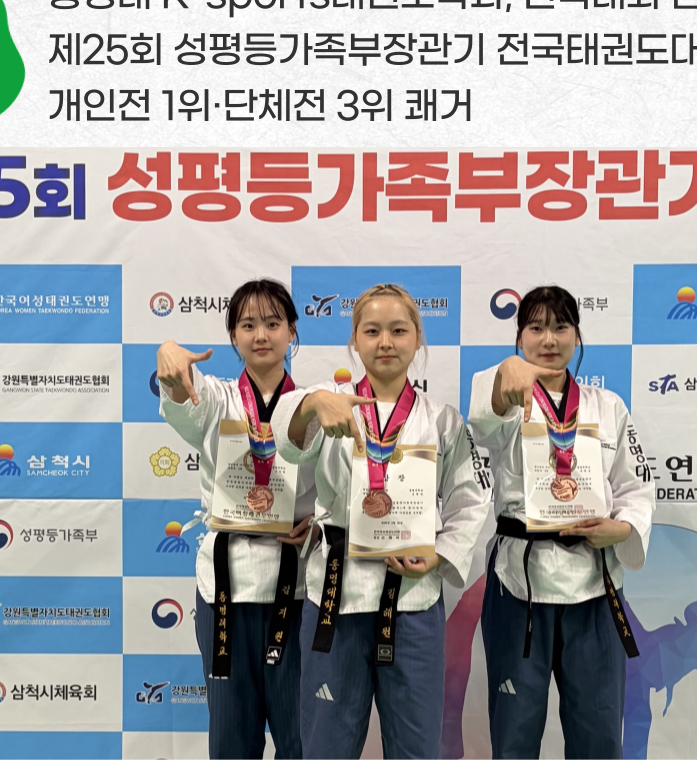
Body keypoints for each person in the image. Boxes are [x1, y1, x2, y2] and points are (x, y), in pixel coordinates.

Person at [270, 283, 490, 760]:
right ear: (355, 340)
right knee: (325, 746)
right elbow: (286, 442)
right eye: (371, 331)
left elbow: (472, 497)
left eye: (398, 330)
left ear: (417, 338)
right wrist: (311, 403)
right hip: (336, 594)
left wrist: (442, 553)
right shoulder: (332, 404)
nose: (385, 342)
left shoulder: (443, 420)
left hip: (413, 597)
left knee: (416, 748)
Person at [468, 285, 655, 760]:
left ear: (577, 335)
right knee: (513, 734)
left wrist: (623, 529)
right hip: (519, 582)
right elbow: (481, 421)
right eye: (535, 328)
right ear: (519, 338)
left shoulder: (607, 406)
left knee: (599, 736)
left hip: (594, 582)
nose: (549, 339)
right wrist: (504, 373)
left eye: (560, 326)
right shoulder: (507, 396)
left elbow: (635, 488)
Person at [157, 278, 315, 760]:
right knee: (230, 739)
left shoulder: (312, 405)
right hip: (225, 587)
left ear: (292, 331)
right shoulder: (217, 398)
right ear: (232, 336)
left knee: (301, 738)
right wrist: (168, 356)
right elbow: (182, 397)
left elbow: (337, 484)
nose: (261, 334)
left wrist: (318, 526)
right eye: (248, 325)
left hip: (296, 586)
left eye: (272, 323)